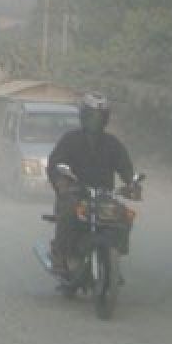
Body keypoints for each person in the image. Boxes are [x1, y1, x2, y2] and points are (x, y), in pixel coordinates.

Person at [45, 92, 139, 274]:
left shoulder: (113, 144)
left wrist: (132, 184)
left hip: (104, 197)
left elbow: (126, 167)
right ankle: (60, 253)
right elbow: (55, 164)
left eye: (99, 117)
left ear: (105, 119)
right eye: (91, 116)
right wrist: (62, 183)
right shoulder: (70, 140)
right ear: (83, 116)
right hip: (76, 194)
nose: (95, 121)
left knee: (124, 215)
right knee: (69, 210)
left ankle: (115, 253)